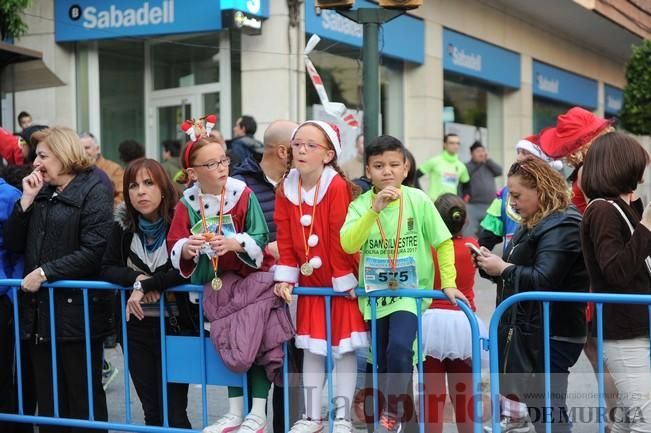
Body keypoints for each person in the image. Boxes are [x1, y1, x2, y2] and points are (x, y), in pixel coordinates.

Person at [340, 135, 466, 433]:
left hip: (408, 295)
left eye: (394, 164)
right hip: (373, 298)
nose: (387, 171)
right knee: (385, 363)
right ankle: (403, 421)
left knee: (399, 349)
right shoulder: (360, 205)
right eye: (379, 166)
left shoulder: (419, 200)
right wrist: (375, 210)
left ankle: (393, 409)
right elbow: (348, 243)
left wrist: (448, 282)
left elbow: (444, 242)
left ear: (406, 168)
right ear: (368, 171)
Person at [167, 117, 285, 433]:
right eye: (212, 163)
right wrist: (187, 248)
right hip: (216, 287)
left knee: (258, 344)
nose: (221, 167)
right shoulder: (186, 205)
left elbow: (260, 236)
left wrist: (236, 242)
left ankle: (257, 413)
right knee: (228, 343)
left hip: (251, 281)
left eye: (223, 160)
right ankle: (235, 410)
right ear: (192, 173)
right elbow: (174, 245)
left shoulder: (241, 193)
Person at [5, 127, 114, 433]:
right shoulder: (40, 192)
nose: (35, 163)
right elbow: (14, 243)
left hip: (77, 315)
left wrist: (45, 273)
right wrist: (26, 200)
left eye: (42, 156)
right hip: (40, 317)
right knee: (50, 405)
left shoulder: (94, 189)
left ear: (63, 155)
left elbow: (94, 251)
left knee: (83, 402)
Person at [476, 157, 589, 433]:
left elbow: (543, 279)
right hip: (536, 330)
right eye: (509, 196)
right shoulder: (537, 220)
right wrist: (490, 266)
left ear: (540, 189)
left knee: (547, 409)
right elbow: (523, 269)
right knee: (542, 410)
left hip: (553, 332)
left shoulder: (563, 222)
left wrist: (503, 268)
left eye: (516, 195)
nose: (511, 203)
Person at [273, 120, 368, 433]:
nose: (301, 149)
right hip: (310, 285)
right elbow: (285, 238)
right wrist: (285, 277)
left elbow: (340, 236)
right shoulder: (285, 186)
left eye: (310, 145)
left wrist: (345, 278)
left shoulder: (336, 186)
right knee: (311, 348)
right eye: (297, 143)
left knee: (344, 349)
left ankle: (341, 417)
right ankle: (313, 417)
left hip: (339, 284)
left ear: (328, 155)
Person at [100, 158, 195, 428]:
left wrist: (148, 286)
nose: (140, 191)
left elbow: (186, 270)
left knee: (175, 413)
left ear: (163, 188)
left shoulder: (181, 222)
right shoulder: (122, 227)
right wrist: (138, 279)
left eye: (148, 183)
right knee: (152, 412)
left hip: (175, 327)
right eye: (133, 185)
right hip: (136, 328)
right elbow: (107, 268)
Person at [580, 132, 651, 433]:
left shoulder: (619, 207)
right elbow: (616, 270)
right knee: (644, 420)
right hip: (623, 329)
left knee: (627, 420)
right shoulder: (602, 210)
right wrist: (646, 225)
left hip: (633, 325)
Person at [422, 193, 488, 433]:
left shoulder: (428, 248)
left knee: (432, 392)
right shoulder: (472, 245)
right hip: (463, 321)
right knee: (465, 391)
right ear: (464, 219)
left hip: (430, 322)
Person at [478, 137, 561, 254]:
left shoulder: (558, 195)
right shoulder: (505, 193)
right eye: (518, 152)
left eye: (525, 153)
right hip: (509, 265)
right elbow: (490, 233)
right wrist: (481, 252)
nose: (519, 158)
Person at [231, 120, 296, 262]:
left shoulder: (299, 183)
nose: (304, 151)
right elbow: (226, 244)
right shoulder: (240, 186)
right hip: (259, 278)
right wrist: (266, 251)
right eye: (298, 145)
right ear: (283, 152)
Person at [0, 169, 31, 433]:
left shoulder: (9, 196)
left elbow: (19, 250)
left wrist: (12, 293)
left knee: (4, 379)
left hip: (2, 299)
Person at [463, 141, 502, 237]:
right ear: (471, 153)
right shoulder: (466, 167)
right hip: (473, 205)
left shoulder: (488, 165)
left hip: (490, 205)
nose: (481, 153)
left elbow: (499, 171)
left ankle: (481, 251)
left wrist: (488, 160)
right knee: (470, 232)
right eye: (478, 151)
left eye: (482, 151)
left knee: (485, 233)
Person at [418, 133, 469, 201]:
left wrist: (460, 200)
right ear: (444, 144)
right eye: (452, 143)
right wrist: (421, 194)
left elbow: (467, 185)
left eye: (457, 143)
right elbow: (415, 175)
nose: (455, 146)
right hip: (434, 203)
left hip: (452, 204)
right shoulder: (434, 161)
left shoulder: (461, 166)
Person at [80, 132, 124, 205]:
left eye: (87, 148)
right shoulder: (75, 170)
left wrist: (105, 208)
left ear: (97, 149)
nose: (83, 152)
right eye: (80, 149)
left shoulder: (114, 169)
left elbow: (122, 195)